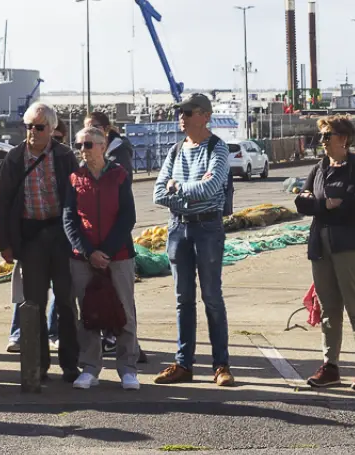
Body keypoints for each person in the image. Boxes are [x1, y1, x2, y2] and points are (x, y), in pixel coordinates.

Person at [151, 93, 235, 387]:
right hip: (178, 229)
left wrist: (178, 187)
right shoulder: (175, 151)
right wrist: (182, 189)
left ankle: (221, 364)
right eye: (180, 112)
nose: (181, 117)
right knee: (182, 299)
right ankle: (183, 363)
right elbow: (158, 192)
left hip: (207, 229)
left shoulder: (217, 149)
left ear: (205, 116)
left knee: (211, 297)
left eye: (188, 112)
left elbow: (212, 187)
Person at [0, 103, 81, 388]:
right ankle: (39, 364)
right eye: (29, 127)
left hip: (60, 235)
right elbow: (4, 203)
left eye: (39, 127)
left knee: (66, 302)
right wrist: (5, 244)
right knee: (33, 304)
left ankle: (71, 364)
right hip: (30, 237)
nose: (32, 132)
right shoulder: (13, 158)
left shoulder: (65, 156)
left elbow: (76, 197)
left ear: (51, 129)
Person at [297, 116, 355, 391]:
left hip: (350, 245)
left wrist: (319, 203)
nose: (322, 141)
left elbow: (353, 204)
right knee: (329, 311)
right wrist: (326, 204)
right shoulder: (318, 168)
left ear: (343, 139)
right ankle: (330, 366)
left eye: (327, 135)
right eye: (321, 136)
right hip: (320, 245)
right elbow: (300, 203)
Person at [62, 127, 140, 391]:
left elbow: (127, 216)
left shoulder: (119, 175)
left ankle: (128, 368)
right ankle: (91, 367)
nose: (83, 150)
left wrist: (105, 251)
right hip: (83, 257)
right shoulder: (74, 177)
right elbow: (69, 218)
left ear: (103, 145)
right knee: (89, 313)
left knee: (124, 311)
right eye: (79, 145)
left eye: (88, 145)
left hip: (117, 256)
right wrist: (88, 252)